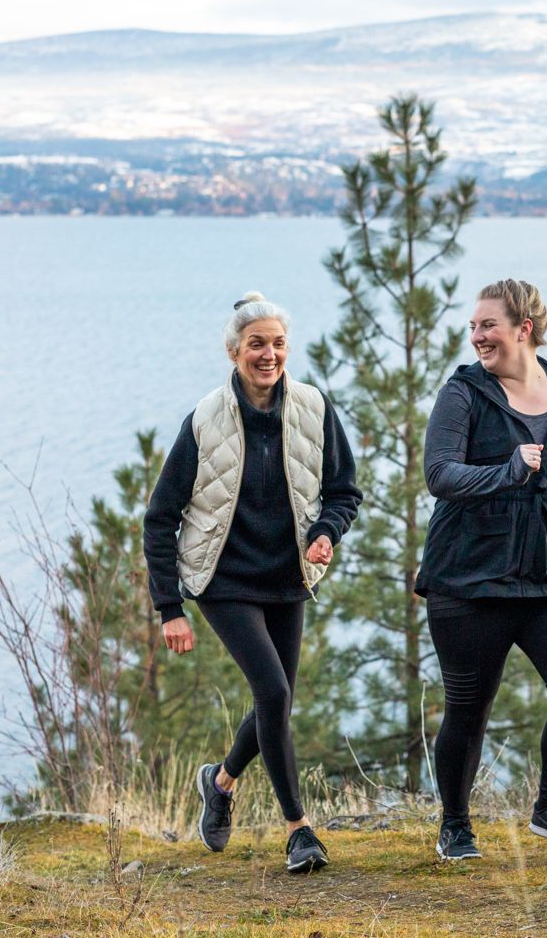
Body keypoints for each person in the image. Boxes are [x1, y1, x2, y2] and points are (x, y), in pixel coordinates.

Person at [143, 291, 361, 874]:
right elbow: (160, 517)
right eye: (256, 344)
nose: (269, 354)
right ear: (235, 351)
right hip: (224, 579)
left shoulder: (314, 409)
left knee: (277, 703)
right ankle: (299, 830)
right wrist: (170, 608)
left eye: (278, 343)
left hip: (288, 576)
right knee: (273, 694)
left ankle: (219, 782)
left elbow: (344, 492)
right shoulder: (205, 419)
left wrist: (326, 531)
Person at [416, 279, 547, 861]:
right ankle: (455, 825)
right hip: (469, 575)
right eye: (473, 327)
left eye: (487, 326)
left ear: (523, 328)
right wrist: (506, 471)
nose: (476, 337)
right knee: (469, 709)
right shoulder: (464, 394)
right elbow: (440, 475)